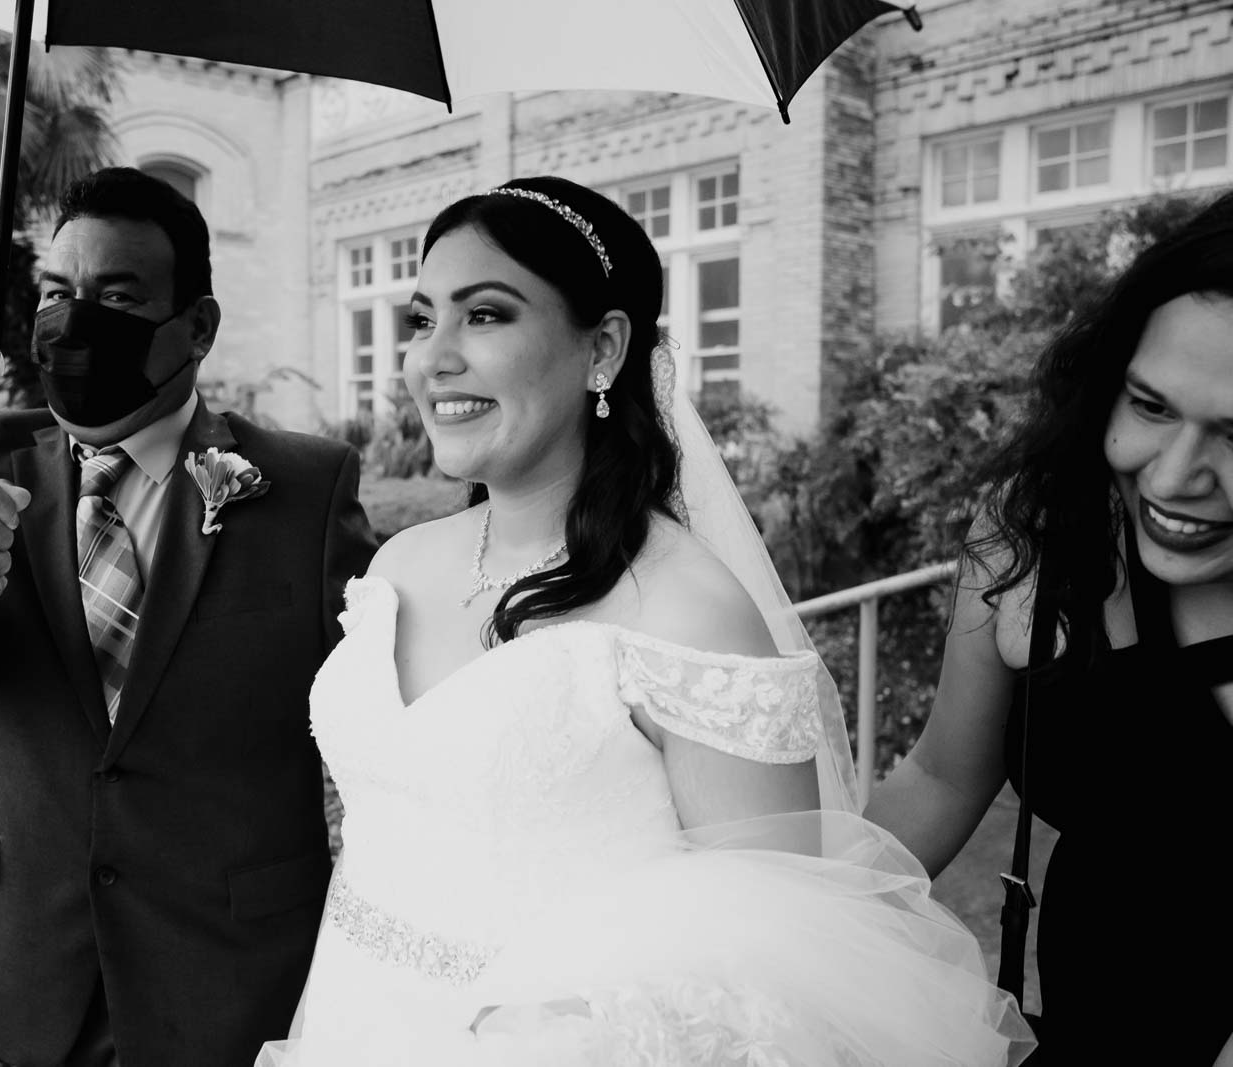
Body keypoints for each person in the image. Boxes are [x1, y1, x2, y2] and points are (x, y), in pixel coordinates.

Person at [256, 176, 1034, 1066]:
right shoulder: (400, 564)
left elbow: (766, 972)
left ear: (604, 349)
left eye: (486, 316)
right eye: (422, 319)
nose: (432, 359)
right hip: (355, 1020)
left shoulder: (685, 608)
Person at [0, 167, 377, 1067]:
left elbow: (386, 702)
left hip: (228, 964)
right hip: (16, 949)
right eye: (57, 293)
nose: (75, 320)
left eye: (116, 296)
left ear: (198, 327)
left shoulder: (306, 486)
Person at [865, 190, 1233, 1064]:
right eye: (1149, 406)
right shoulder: (1035, 530)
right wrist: (773, 924)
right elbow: (942, 778)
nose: (1176, 476)